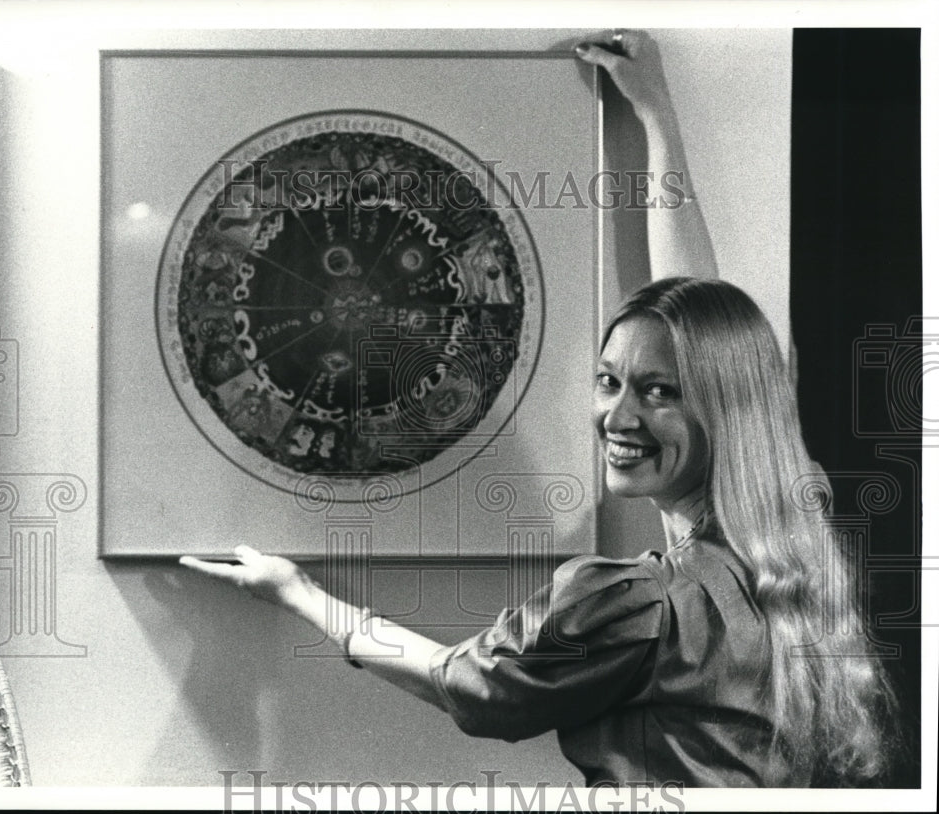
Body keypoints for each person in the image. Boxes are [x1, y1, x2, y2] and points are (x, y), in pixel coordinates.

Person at [181, 31, 898, 787]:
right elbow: (701, 330)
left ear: (720, 405)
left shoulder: (636, 603)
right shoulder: (788, 528)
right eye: (606, 381)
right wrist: (658, 119)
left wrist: (300, 594)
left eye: (657, 393)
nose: (618, 417)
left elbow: (463, 684)